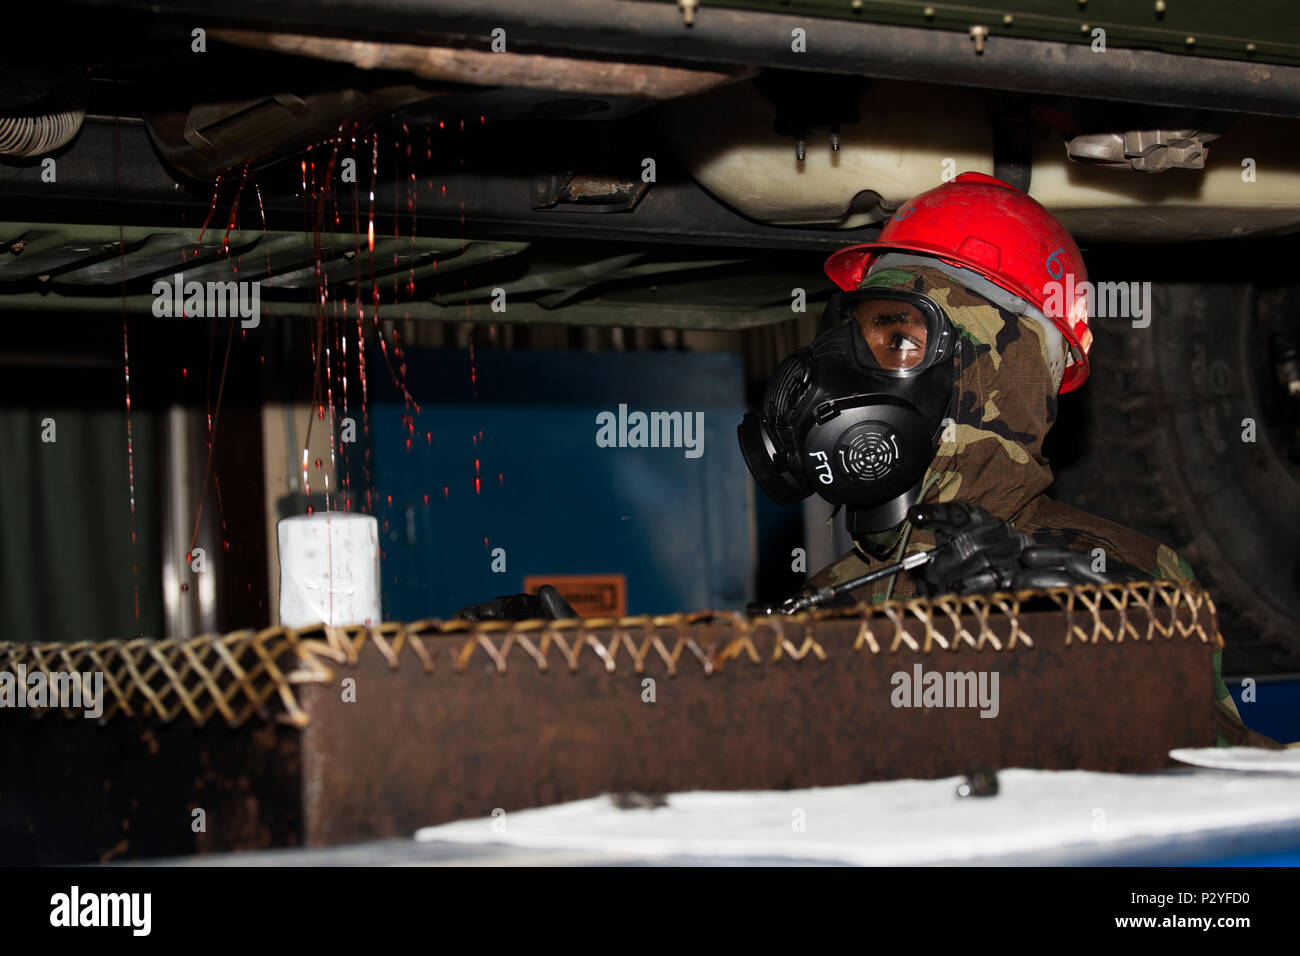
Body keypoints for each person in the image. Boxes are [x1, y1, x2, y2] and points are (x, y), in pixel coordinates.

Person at [738, 172, 1273, 747]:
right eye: (857, 342)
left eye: (899, 339)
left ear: (997, 370)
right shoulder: (823, 602)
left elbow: (1220, 782)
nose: (848, 378)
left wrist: (1089, 660)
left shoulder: (1107, 579)